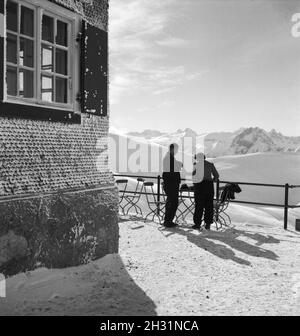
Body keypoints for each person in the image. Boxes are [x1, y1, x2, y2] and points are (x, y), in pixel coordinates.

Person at [192, 153, 219, 230]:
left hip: (200, 186)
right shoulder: (210, 164)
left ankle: (197, 224)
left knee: (199, 205)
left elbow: (193, 175)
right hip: (209, 186)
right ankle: (208, 224)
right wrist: (211, 181)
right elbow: (216, 175)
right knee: (209, 205)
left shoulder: (196, 164)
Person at [162, 143, 183, 228]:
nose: (177, 151)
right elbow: (173, 168)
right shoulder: (169, 158)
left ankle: (168, 220)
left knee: (170, 202)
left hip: (170, 183)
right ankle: (168, 221)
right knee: (173, 202)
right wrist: (179, 164)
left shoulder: (169, 157)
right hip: (171, 183)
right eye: (176, 150)